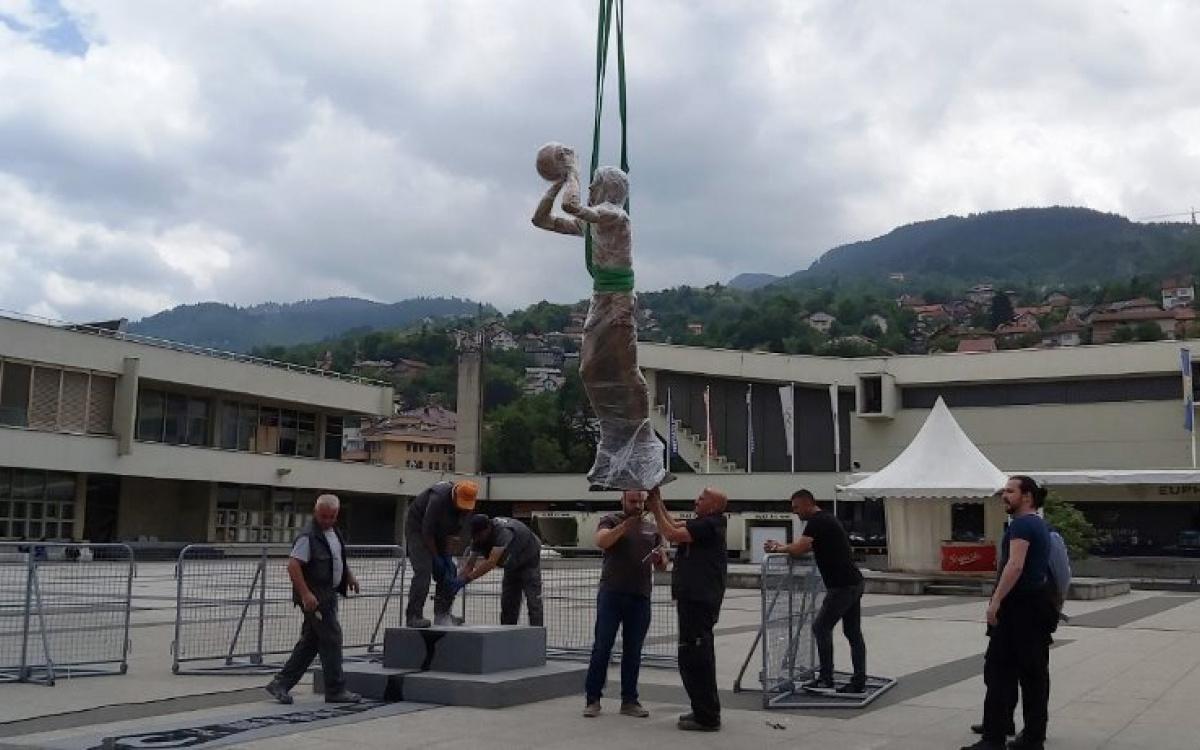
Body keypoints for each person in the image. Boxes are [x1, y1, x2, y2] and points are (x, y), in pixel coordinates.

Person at [531, 142, 667, 491]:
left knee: (625, 368)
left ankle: (645, 446)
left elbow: (573, 206)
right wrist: (558, 182)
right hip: (600, 299)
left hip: (619, 299)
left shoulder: (614, 215)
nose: (589, 187)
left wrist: (572, 171)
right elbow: (541, 220)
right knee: (589, 369)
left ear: (607, 188)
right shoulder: (593, 225)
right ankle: (614, 445)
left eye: (594, 182)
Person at [962, 476, 1056, 750]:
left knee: (1000, 671)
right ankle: (1032, 736)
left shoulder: (1023, 525)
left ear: (1026, 496)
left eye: (1010, 491)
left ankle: (994, 739)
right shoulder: (1039, 523)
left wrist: (996, 602)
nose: (1004, 495)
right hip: (1035, 607)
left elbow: (1014, 565)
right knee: (1033, 675)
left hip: (1019, 608)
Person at [764, 489, 867, 696]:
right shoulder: (827, 519)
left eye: (796, 507)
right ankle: (858, 680)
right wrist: (784, 546)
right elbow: (809, 547)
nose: (795, 513)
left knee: (821, 627)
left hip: (842, 586)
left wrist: (777, 549)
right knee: (853, 632)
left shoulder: (817, 521)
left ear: (807, 503)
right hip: (853, 582)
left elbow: (800, 549)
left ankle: (826, 679)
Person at [265, 494, 361, 704]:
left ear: (337, 514)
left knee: (311, 642)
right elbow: (293, 565)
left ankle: (280, 683)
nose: (327, 520)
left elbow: (337, 559)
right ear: (315, 512)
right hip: (315, 598)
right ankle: (335, 689)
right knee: (332, 637)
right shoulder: (308, 537)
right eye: (323, 516)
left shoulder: (334, 532)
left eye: (331, 516)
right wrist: (306, 593)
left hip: (329, 594)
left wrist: (349, 576)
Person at [647, 485, 727, 732]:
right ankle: (703, 708)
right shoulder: (705, 523)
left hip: (699, 599)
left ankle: (707, 716)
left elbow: (671, 533)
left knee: (696, 656)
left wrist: (653, 506)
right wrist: (658, 500)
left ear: (713, 506)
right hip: (694, 599)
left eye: (701, 498)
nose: (696, 500)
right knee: (693, 655)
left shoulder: (710, 524)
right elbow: (674, 523)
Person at [582, 490, 667, 719]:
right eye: (633, 501)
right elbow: (601, 541)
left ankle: (629, 700)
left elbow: (663, 563)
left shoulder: (651, 526)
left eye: (640, 501)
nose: (638, 505)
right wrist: (624, 527)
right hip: (612, 593)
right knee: (602, 647)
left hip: (640, 596)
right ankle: (593, 699)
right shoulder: (611, 520)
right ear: (623, 501)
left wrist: (660, 560)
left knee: (633, 651)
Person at [405, 480, 477, 628]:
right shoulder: (438, 498)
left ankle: (442, 614)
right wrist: (436, 556)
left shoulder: (467, 505)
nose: (462, 508)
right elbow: (427, 531)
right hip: (418, 529)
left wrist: (447, 556)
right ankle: (414, 615)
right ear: (455, 494)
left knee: (449, 571)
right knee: (423, 571)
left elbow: (455, 533)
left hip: (441, 533)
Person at [457, 514, 544, 626]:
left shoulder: (503, 533)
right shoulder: (478, 537)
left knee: (533, 603)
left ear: (488, 528)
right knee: (508, 603)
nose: (477, 538)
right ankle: (506, 636)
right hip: (511, 563)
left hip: (528, 559)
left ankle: (537, 638)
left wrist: (467, 579)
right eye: (475, 536)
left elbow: (491, 562)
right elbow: (470, 564)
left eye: (479, 535)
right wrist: (457, 580)